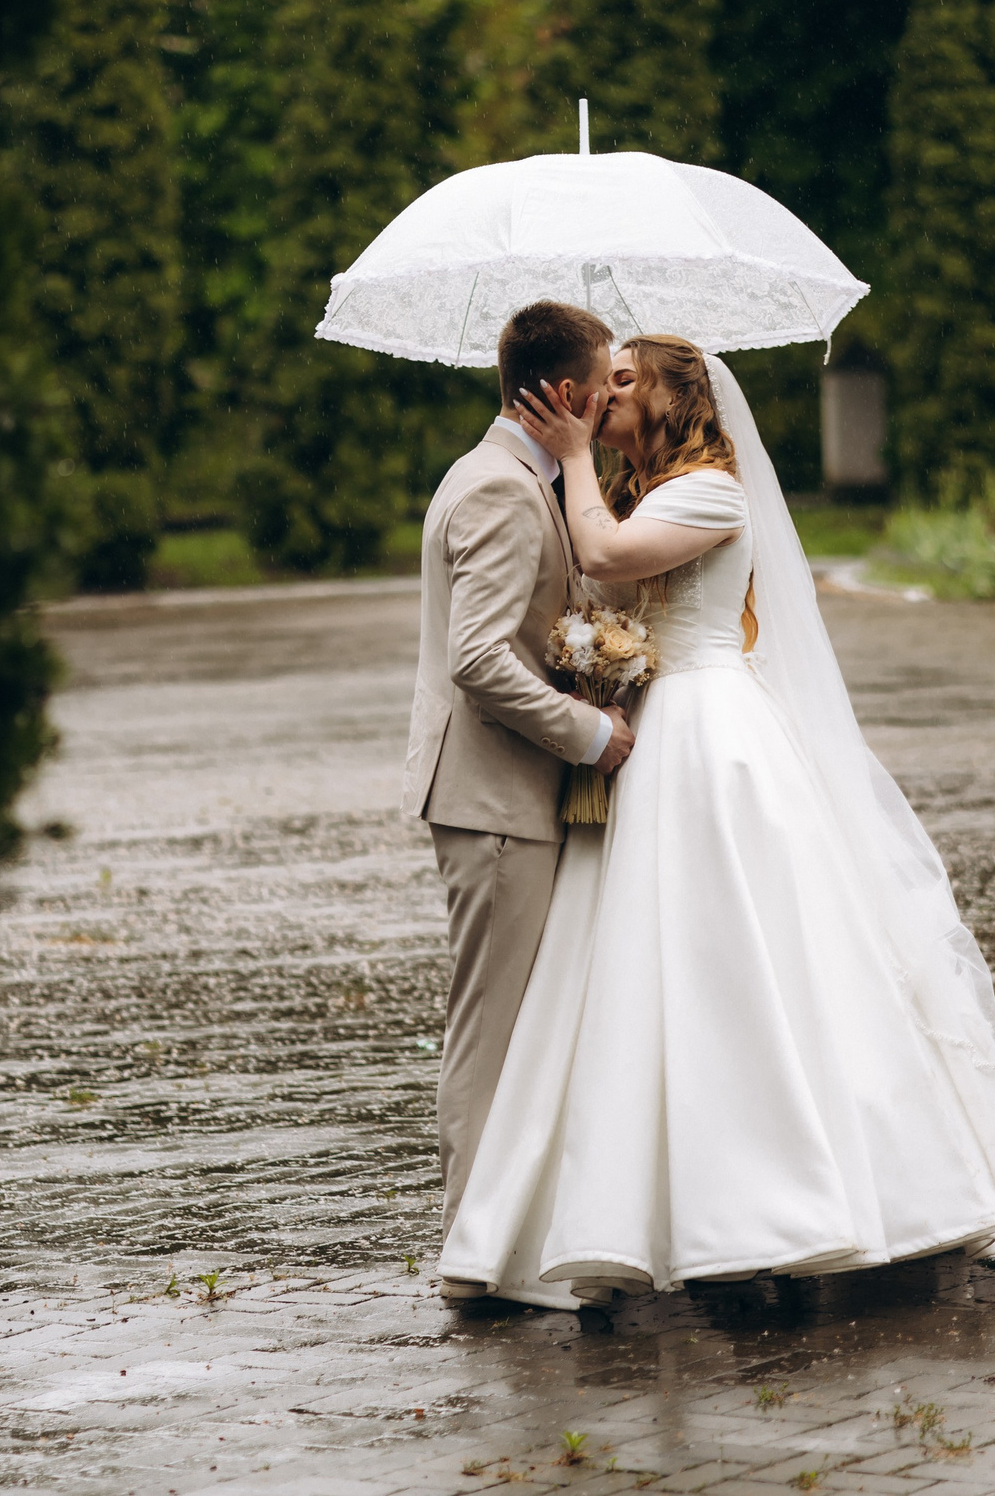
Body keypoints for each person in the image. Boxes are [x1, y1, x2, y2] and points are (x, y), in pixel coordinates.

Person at [436, 335, 995, 1308]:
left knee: (748, 959)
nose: (605, 399)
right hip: (654, 739)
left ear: (672, 398)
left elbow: (607, 556)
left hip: (715, 740)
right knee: (643, 975)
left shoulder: (713, 490)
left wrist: (571, 460)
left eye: (625, 384)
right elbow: (599, 574)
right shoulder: (638, 491)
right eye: (600, 383)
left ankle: (803, 1204)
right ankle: (636, 1212)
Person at [405, 301, 637, 1294]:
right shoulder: (499, 488)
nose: (611, 399)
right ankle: (472, 1260)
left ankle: (497, 1241)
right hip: (494, 802)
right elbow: (476, 659)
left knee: (507, 1029)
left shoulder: (506, 477)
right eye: (604, 383)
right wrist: (590, 732)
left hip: (500, 800)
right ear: (567, 394)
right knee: (491, 1034)